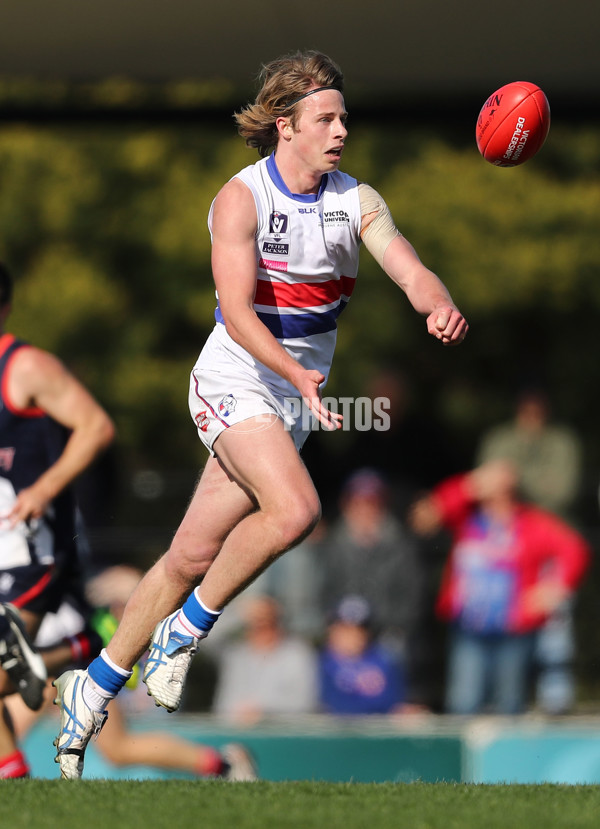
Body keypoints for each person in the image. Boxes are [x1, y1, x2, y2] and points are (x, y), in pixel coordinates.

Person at [52, 49, 468, 780]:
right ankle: (182, 633)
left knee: (187, 555)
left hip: (289, 394)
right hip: (236, 375)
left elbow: (404, 262)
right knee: (298, 508)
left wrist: (436, 300)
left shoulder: (356, 199)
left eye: (344, 117)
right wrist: (296, 376)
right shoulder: (242, 199)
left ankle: (96, 683)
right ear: (286, 125)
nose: (341, 131)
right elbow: (239, 315)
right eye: (326, 119)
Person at [0, 262, 115, 778]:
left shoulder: (25, 366)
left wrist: (44, 489)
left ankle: (85, 645)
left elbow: (95, 425)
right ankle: (12, 779)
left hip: (33, 548)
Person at [6, 566, 257, 780]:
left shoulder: (38, 554)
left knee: (118, 749)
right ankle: (224, 766)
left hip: (71, 664)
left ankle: (224, 765)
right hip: (48, 662)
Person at [409, 460, 590, 715]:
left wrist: (556, 587)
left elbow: (574, 549)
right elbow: (433, 510)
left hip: (513, 629)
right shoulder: (466, 520)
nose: (496, 493)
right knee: (464, 702)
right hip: (469, 626)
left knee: (509, 704)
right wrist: (471, 485)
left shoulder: (531, 523)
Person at [475, 388, 585, 713]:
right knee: (498, 630)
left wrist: (513, 481)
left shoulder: (562, 442)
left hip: (548, 549)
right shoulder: (500, 438)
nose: (531, 412)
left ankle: (555, 709)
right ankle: (502, 708)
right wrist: (503, 486)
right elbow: (484, 486)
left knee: (555, 636)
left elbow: (562, 491)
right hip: (502, 549)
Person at [318, 468, 423, 694]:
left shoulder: (400, 545)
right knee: (326, 657)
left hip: (386, 630)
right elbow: (324, 592)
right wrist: (340, 628)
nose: (365, 509)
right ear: (347, 504)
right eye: (359, 502)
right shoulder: (332, 544)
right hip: (343, 629)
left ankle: (393, 706)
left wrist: (377, 628)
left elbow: (411, 598)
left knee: (395, 649)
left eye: (371, 503)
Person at [212, 594, 318, 723]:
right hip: (230, 734)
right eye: (255, 619)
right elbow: (204, 638)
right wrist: (236, 613)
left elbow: (305, 702)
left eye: (266, 618)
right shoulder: (235, 653)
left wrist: (263, 712)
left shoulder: (297, 653)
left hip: (276, 735)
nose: (260, 625)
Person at [318, 595, 407, 716]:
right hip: (332, 731)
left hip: (375, 730)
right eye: (344, 629)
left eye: (358, 630)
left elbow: (394, 706)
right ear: (331, 630)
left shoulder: (385, 661)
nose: (351, 637)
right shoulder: (317, 662)